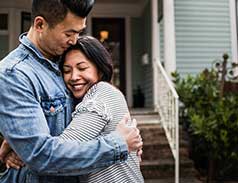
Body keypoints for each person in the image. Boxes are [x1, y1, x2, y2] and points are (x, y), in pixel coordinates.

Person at [0, 0, 142, 183]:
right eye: (69, 33)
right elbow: (40, 155)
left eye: (79, 32)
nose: (74, 40)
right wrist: (118, 145)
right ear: (40, 24)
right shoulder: (15, 74)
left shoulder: (61, 59)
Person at [58, 36, 144, 183]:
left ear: (100, 69)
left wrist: (25, 148)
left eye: (82, 68)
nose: (73, 77)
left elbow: (60, 153)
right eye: (67, 71)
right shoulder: (82, 100)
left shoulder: (102, 93)